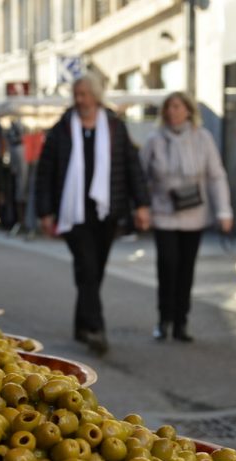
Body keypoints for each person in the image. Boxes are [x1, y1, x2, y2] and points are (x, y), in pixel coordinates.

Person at [35, 73, 151, 355]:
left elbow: (132, 166)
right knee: (87, 267)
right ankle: (97, 330)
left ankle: (81, 324)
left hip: (106, 211)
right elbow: (45, 171)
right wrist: (45, 211)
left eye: (84, 94)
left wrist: (142, 205)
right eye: (76, 94)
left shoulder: (114, 126)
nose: (79, 99)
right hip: (73, 213)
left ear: (96, 96)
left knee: (94, 270)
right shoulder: (62, 128)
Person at [140, 91, 233, 343]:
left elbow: (216, 175)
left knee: (186, 270)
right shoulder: (154, 140)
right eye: (169, 107)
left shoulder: (203, 138)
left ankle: (181, 322)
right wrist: (142, 208)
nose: (172, 111)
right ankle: (163, 320)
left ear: (188, 110)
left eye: (177, 106)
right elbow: (142, 178)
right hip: (164, 214)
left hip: (194, 215)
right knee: (167, 266)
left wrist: (224, 211)